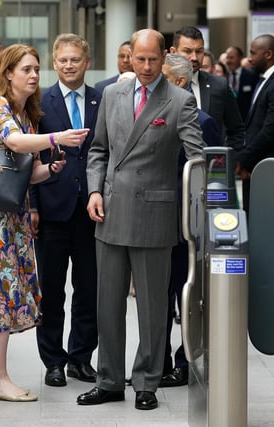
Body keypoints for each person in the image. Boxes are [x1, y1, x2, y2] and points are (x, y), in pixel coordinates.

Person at [77, 28, 204, 411]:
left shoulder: (180, 100)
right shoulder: (112, 94)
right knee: (108, 304)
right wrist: (95, 190)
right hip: (110, 210)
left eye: (153, 59)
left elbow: (198, 159)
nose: (147, 67)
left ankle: (147, 381)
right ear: (129, 56)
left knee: (152, 307)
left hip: (155, 213)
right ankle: (110, 380)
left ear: (164, 56)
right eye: (140, 59)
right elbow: (98, 150)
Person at [0, 43, 89, 402]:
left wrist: (49, 169)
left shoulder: (24, 112)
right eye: (26, 69)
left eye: (35, 69)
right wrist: (55, 138)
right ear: (8, 73)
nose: (34, 75)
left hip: (6, 218)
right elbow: (14, 142)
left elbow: (22, 175)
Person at [30, 33, 102, 388]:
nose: (69, 65)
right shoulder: (40, 101)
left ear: (86, 62)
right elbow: (29, 156)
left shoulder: (101, 99)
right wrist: (32, 205)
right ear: (54, 63)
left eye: (76, 59)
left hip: (91, 209)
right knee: (52, 290)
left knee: (89, 288)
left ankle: (81, 358)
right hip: (51, 208)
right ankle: (53, 361)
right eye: (63, 60)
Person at [158, 52, 220, 388]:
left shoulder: (203, 120)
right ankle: (160, 360)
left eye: (162, 76)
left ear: (180, 82)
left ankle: (185, 361)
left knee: (187, 293)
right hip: (160, 220)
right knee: (162, 295)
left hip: (188, 226)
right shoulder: (157, 114)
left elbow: (211, 178)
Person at [235, 34, 274, 213]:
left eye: (253, 53)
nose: (249, 58)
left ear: (268, 54)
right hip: (255, 167)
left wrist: (244, 159)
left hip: (268, 168)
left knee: (264, 221)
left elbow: (270, 131)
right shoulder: (264, 80)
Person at [169, 26, 244, 148]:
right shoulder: (161, 86)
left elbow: (236, 130)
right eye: (187, 51)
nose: (194, 57)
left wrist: (229, 159)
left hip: (209, 164)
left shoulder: (219, 86)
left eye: (199, 51)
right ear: (173, 52)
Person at [225, 45, 259, 120]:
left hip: (246, 119)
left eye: (231, 58)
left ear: (240, 58)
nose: (229, 61)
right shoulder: (223, 76)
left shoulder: (251, 76)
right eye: (227, 58)